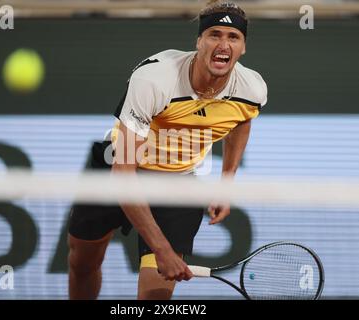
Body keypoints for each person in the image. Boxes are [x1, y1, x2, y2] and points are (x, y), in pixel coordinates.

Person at [68, 0, 267, 300]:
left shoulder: (252, 90)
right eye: (214, 34)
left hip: (177, 183)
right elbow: (124, 174)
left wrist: (226, 182)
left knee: (156, 297)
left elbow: (242, 121)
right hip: (117, 168)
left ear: (243, 48)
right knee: (82, 264)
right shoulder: (154, 80)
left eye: (233, 37)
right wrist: (162, 249)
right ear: (199, 41)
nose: (223, 44)